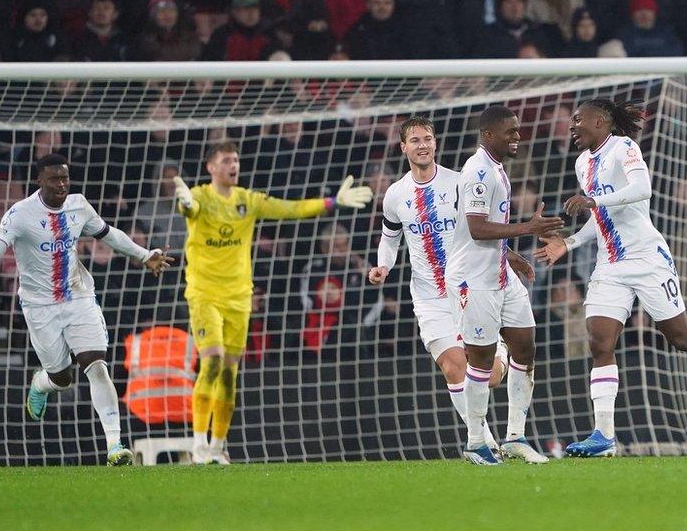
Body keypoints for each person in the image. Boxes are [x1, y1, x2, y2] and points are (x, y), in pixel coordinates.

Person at [533, 99, 687, 457]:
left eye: (578, 120)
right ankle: (604, 434)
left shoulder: (624, 147)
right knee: (600, 342)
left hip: (647, 259)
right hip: (610, 264)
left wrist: (594, 199)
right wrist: (571, 242)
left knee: (681, 337)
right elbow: (603, 216)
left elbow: (642, 189)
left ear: (600, 121)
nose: (572, 127)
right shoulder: (582, 163)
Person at [0, 153, 174, 466]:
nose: (61, 184)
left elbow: (108, 233)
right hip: (40, 306)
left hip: (79, 297)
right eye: (54, 178)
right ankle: (41, 383)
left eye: (65, 178)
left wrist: (143, 254)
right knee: (62, 377)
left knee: (96, 365)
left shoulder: (79, 205)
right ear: (40, 180)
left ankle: (115, 445)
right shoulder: (20, 214)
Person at [173, 141, 373, 465]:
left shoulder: (247, 201)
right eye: (226, 160)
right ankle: (198, 445)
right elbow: (189, 210)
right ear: (211, 167)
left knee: (228, 372)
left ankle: (217, 446)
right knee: (210, 362)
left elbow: (290, 209)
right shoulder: (198, 196)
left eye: (236, 160)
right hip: (204, 295)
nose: (233, 165)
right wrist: (183, 203)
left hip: (239, 297)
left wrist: (333, 201)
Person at [367, 116, 509, 452]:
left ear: (436, 143)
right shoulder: (395, 194)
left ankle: (500, 351)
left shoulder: (459, 183)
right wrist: (383, 265)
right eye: (415, 140)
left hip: (468, 288)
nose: (422, 145)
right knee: (452, 366)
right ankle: (483, 441)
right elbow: (389, 238)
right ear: (403, 147)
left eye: (427, 138)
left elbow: (484, 227)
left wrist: (509, 256)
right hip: (429, 297)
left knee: (491, 377)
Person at [445, 105, 563, 465]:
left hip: (498, 269)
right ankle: (476, 441)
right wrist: (528, 229)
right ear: (488, 135)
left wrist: (509, 253)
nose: (517, 137)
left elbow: (484, 228)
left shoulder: (495, 168)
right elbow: (478, 228)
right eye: (510, 132)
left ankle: (515, 437)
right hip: (474, 277)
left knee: (524, 345)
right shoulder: (479, 170)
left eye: (517, 130)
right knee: (480, 359)